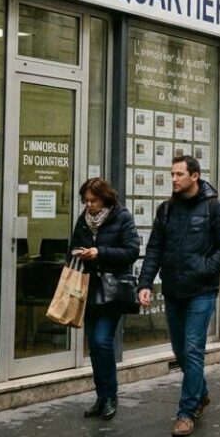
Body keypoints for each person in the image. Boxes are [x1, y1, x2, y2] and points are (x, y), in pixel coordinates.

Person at [137, 156, 220, 437]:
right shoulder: (166, 210)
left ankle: (186, 413)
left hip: (201, 291)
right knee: (181, 351)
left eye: (179, 174)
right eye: (172, 173)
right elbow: (155, 249)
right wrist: (145, 283)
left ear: (195, 176)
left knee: (193, 349)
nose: (173, 179)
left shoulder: (214, 207)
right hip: (173, 289)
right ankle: (200, 392)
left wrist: (205, 268)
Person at [69, 177, 141, 421]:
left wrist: (100, 253)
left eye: (94, 200)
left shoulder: (121, 217)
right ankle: (101, 397)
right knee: (95, 346)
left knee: (101, 341)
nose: (89, 205)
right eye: (86, 201)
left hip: (112, 291)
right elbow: (73, 246)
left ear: (105, 198)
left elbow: (132, 251)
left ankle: (110, 396)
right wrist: (79, 253)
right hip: (88, 289)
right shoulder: (83, 221)